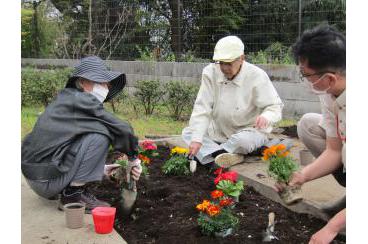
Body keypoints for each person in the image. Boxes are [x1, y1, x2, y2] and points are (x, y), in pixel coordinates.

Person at [21, 56, 142, 213]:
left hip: (37, 175)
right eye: (102, 82)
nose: (107, 87)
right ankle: (72, 195)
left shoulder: (68, 98)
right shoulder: (82, 100)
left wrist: (102, 169)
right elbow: (123, 128)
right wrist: (134, 159)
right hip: (45, 180)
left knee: (95, 131)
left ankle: (69, 189)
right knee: (102, 134)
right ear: (83, 82)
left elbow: (69, 146)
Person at [275, 25, 346, 244]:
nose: (304, 81)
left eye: (306, 75)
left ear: (330, 78)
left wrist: (332, 227)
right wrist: (301, 177)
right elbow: (334, 150)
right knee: (309, 125)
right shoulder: (330, 92)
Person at [182, 35, 284, 167]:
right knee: (189, 132)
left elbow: (275, 106)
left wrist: (266, 116)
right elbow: (202, 107)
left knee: (243, 142)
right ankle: (223, 154)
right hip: (218, 131)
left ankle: (214, 153)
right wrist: (196, 140)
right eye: (221, 63)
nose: (224, 68)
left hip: (248, 131)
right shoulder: (210, 72)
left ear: (242, 58)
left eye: (229, 63)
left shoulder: (256, 75)